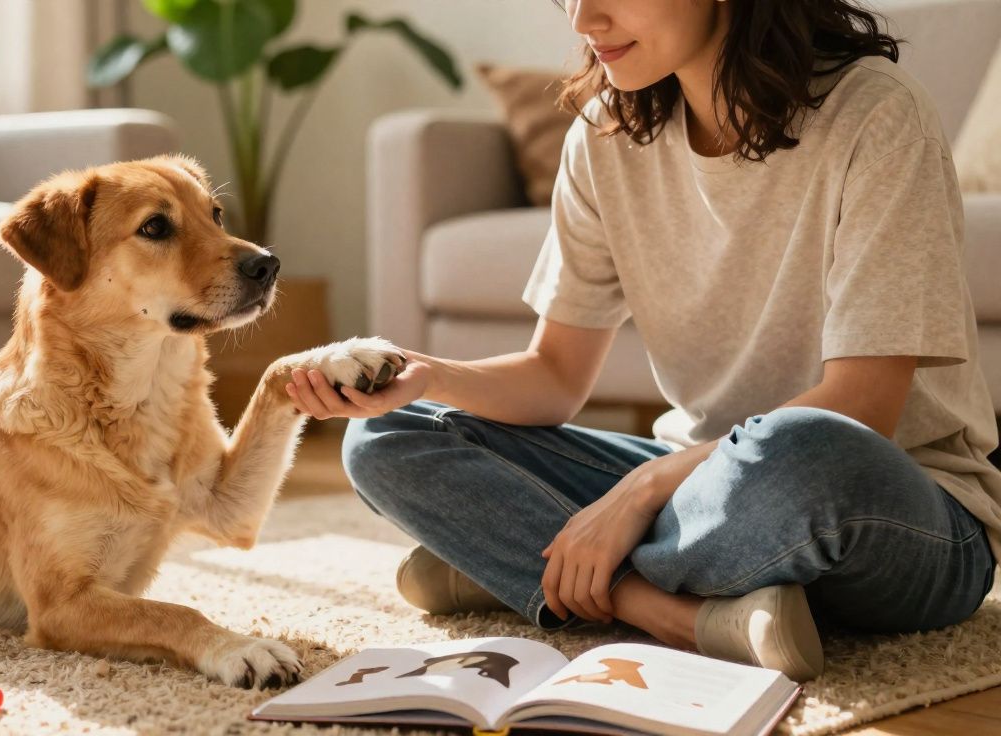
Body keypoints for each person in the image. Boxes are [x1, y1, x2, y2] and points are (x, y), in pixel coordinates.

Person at [281, 0, 1001, 681]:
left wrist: (638, 492)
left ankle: (514, 563)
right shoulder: (604, 134)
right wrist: (425, 375)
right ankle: (663, 609)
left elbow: (860, 408)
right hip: (699, 499)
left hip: (889, 508)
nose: (583, 18)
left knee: (799, 448)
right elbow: (554, 374)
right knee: (383, 437)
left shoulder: (877, 114)